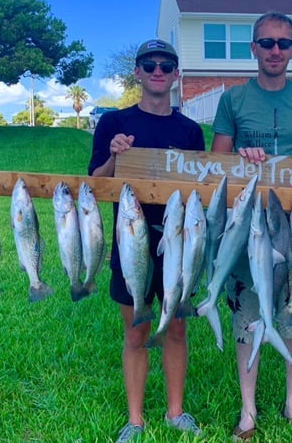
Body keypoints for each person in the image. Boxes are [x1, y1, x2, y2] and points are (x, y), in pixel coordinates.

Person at [210, 11, 292, 441]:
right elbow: (217, 168)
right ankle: (248, 412)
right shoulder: (232, 100)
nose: (276, 51)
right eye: (267, 43)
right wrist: (240, 157)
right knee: (248, 308)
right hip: (249, 220)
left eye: (284, 43)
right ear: (254, 48)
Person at [88, 39, 205, 442]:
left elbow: (201, 191)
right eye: (149, 65)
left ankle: (175, 412)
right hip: (131, 241)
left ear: (176, 74)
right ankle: (135, 420)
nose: (158, 71)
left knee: (175, 327)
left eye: (166, 65)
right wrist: (113, 157)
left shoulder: (190, 131)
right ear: (137, 72)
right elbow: (96, 184)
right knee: (136, 330)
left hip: (177, 245)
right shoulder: (113, 124)